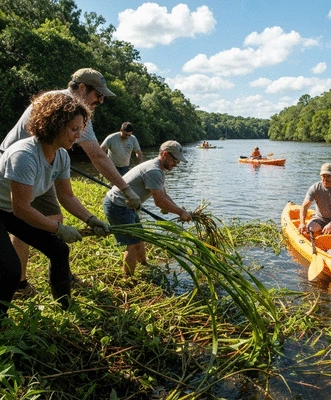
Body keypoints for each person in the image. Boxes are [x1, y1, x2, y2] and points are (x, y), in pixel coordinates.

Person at [0, 68, 141, 297]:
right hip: (18, 170)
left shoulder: (71, 131)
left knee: (56, 231)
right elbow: (97, 156)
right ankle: (19, 282)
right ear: (82, 88)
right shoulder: (64, 110)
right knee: (18, 235)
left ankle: (59, 276)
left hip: (48, 160)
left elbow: (67, 196)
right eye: (99, 95)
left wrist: (90, 219)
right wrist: (125, 189)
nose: (101, 101)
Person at [0, 92, 110, 316]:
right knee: (9, 271)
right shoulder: (24, 155)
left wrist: (91, 219)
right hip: (7, 210)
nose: (78, 136)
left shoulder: (61, 157)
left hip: (10, 211)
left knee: (59, 250)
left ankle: (65, 308)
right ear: (54, 125)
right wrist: (59, 228)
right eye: (73, 129)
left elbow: (67, 196)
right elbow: (22, 208)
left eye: (80, 129)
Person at [103, 140, 192, 275]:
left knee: (140, 237)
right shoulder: (154, 171)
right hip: (118, 205)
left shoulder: (159, 169)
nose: (177, 164)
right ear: (165, 154)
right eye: (175, 160)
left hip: (129, 206)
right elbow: (160, 202)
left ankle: (144, 265)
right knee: (132, 243)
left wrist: (180, 210)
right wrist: (181, 213)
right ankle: (128, 278)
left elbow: (164, 195)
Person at [298, 163, 331, 237]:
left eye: (329, 176)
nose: (325, 179)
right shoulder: (315, 188)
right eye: (323, 176)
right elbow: (305, 207)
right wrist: (302, 223)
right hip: (319, 219)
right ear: (320, 176)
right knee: (307, 231)